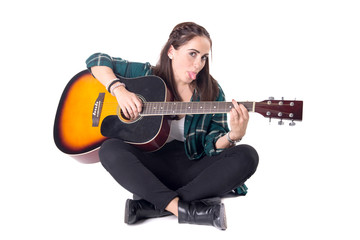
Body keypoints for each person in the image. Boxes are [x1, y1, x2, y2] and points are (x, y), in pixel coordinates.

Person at [85, 22, 259, 230]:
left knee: (248, 155)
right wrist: (119, 90)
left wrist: (233, 135)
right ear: (171, 51)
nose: (198, 64)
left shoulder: (211, 91)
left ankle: (153, 205)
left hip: (191, 168)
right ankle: (186, 210)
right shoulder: (146, 75)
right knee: (109, 150)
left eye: (204, 57)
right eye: (192, 54)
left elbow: (211, 147)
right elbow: (96, 60)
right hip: (151, 167)